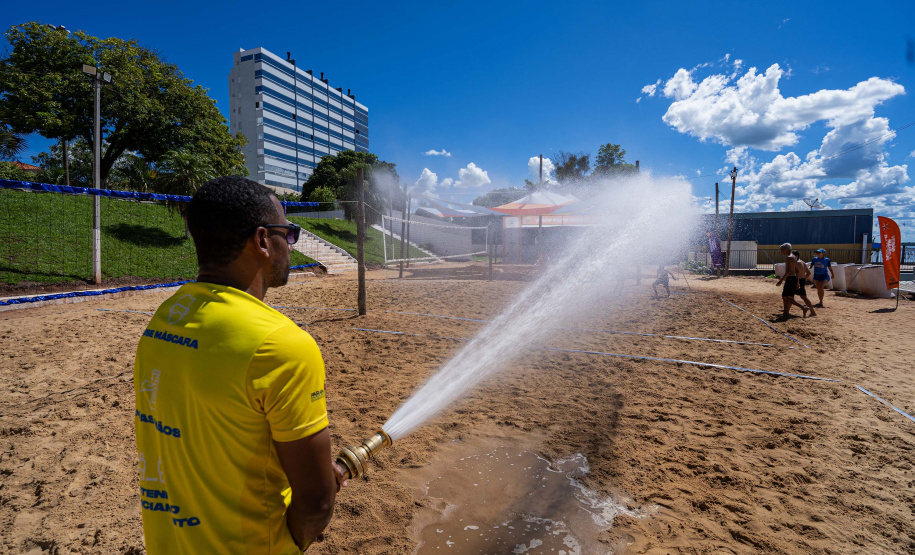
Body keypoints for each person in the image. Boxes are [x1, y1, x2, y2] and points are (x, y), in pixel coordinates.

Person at [133, 176, 346, 554]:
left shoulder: (166, 319)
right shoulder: (282, 345)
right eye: (289, 233)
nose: (291, 245)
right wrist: (290, 541)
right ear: (263, 240)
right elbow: (316, 503)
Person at [774, 243, 808, 319]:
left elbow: (789, 271)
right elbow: (797, 271)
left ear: (786, 249)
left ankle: (803, 307)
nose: (781, 252)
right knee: (787, 296)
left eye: (782, 250)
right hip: (794, 278)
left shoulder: (789, 258)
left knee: (785, 297)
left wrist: (781, 280)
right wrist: (798, 281)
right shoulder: (794, 258)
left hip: (790, 278)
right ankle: (786, 313)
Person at [792, 250, 817, 317]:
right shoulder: (802, 262)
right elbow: (809, 273)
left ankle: (805, 309)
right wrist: (804, 279)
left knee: (789, 296)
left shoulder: (797, 263)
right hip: (801, 280)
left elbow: (796, 274)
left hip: (797, 281)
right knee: (803, 297)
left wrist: (798, 282)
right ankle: (812, 311)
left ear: (796, 256)